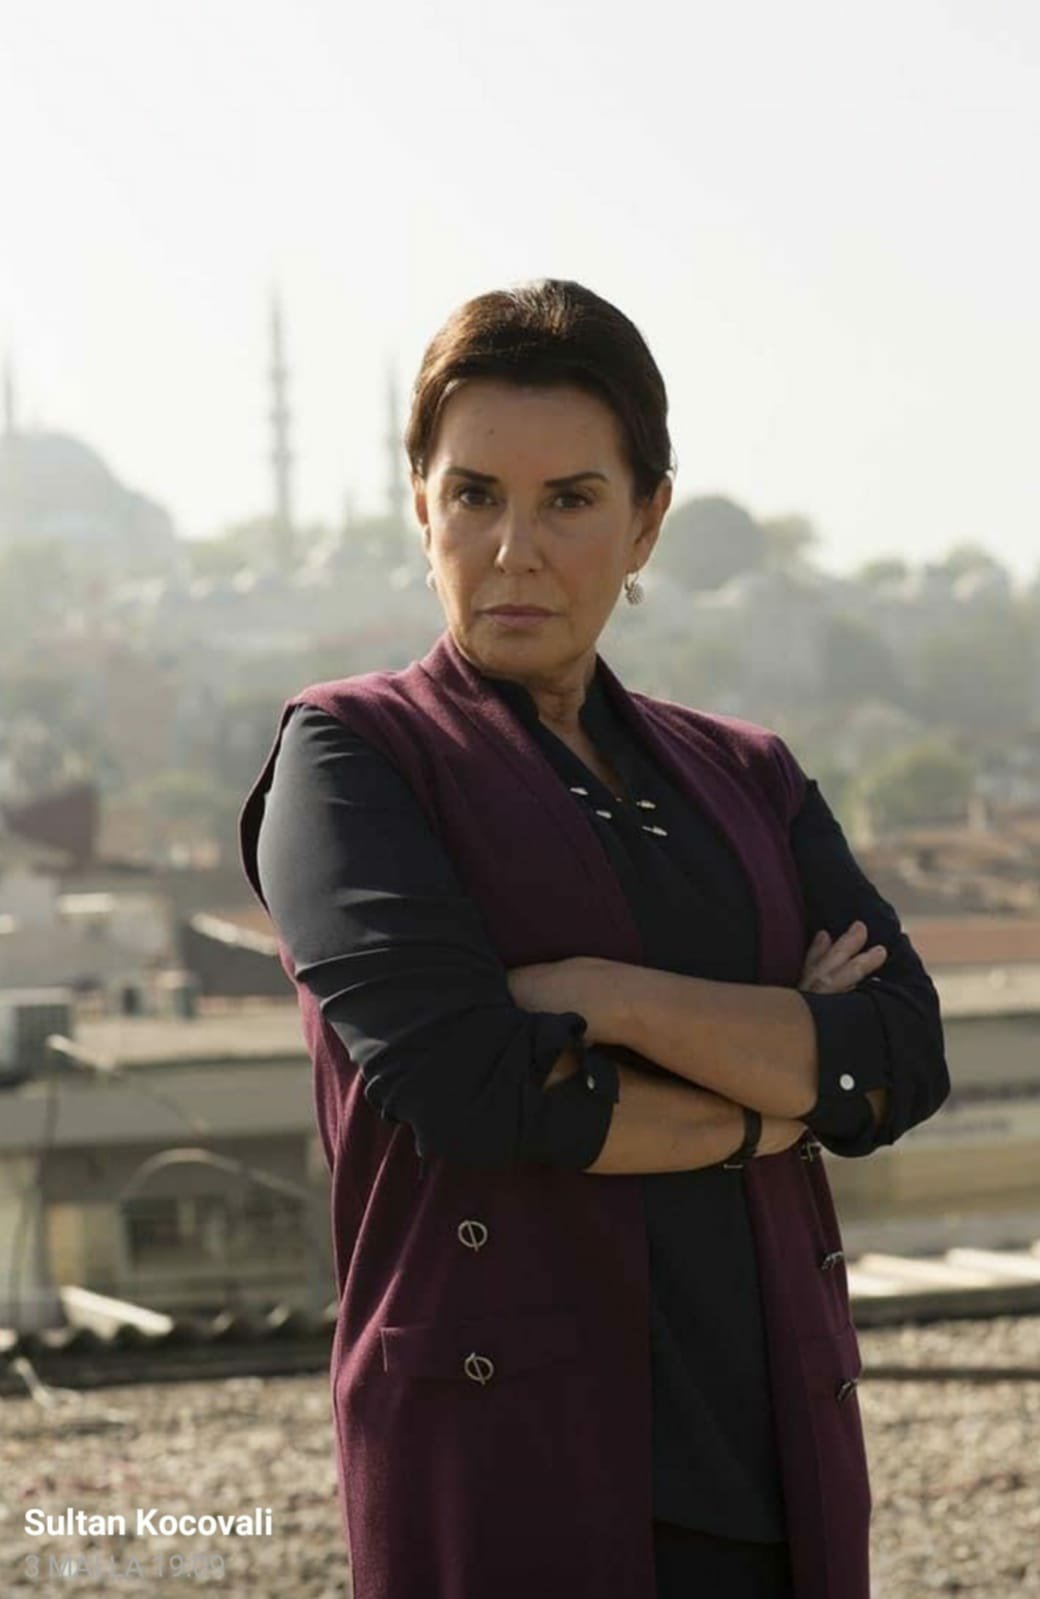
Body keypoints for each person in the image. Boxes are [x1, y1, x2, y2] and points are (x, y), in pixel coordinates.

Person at [237, 278, 950, 1599]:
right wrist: (776, 1086)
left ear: (646, 520)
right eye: (474, 495)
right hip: (503, 1461)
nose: (515, 550)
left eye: (569, 500)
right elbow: (469, 1087)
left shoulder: (747, 774)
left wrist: (598, 996)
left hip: (774, 1453)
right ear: (420, 507)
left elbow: (899, 1058)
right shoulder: (351, 759)